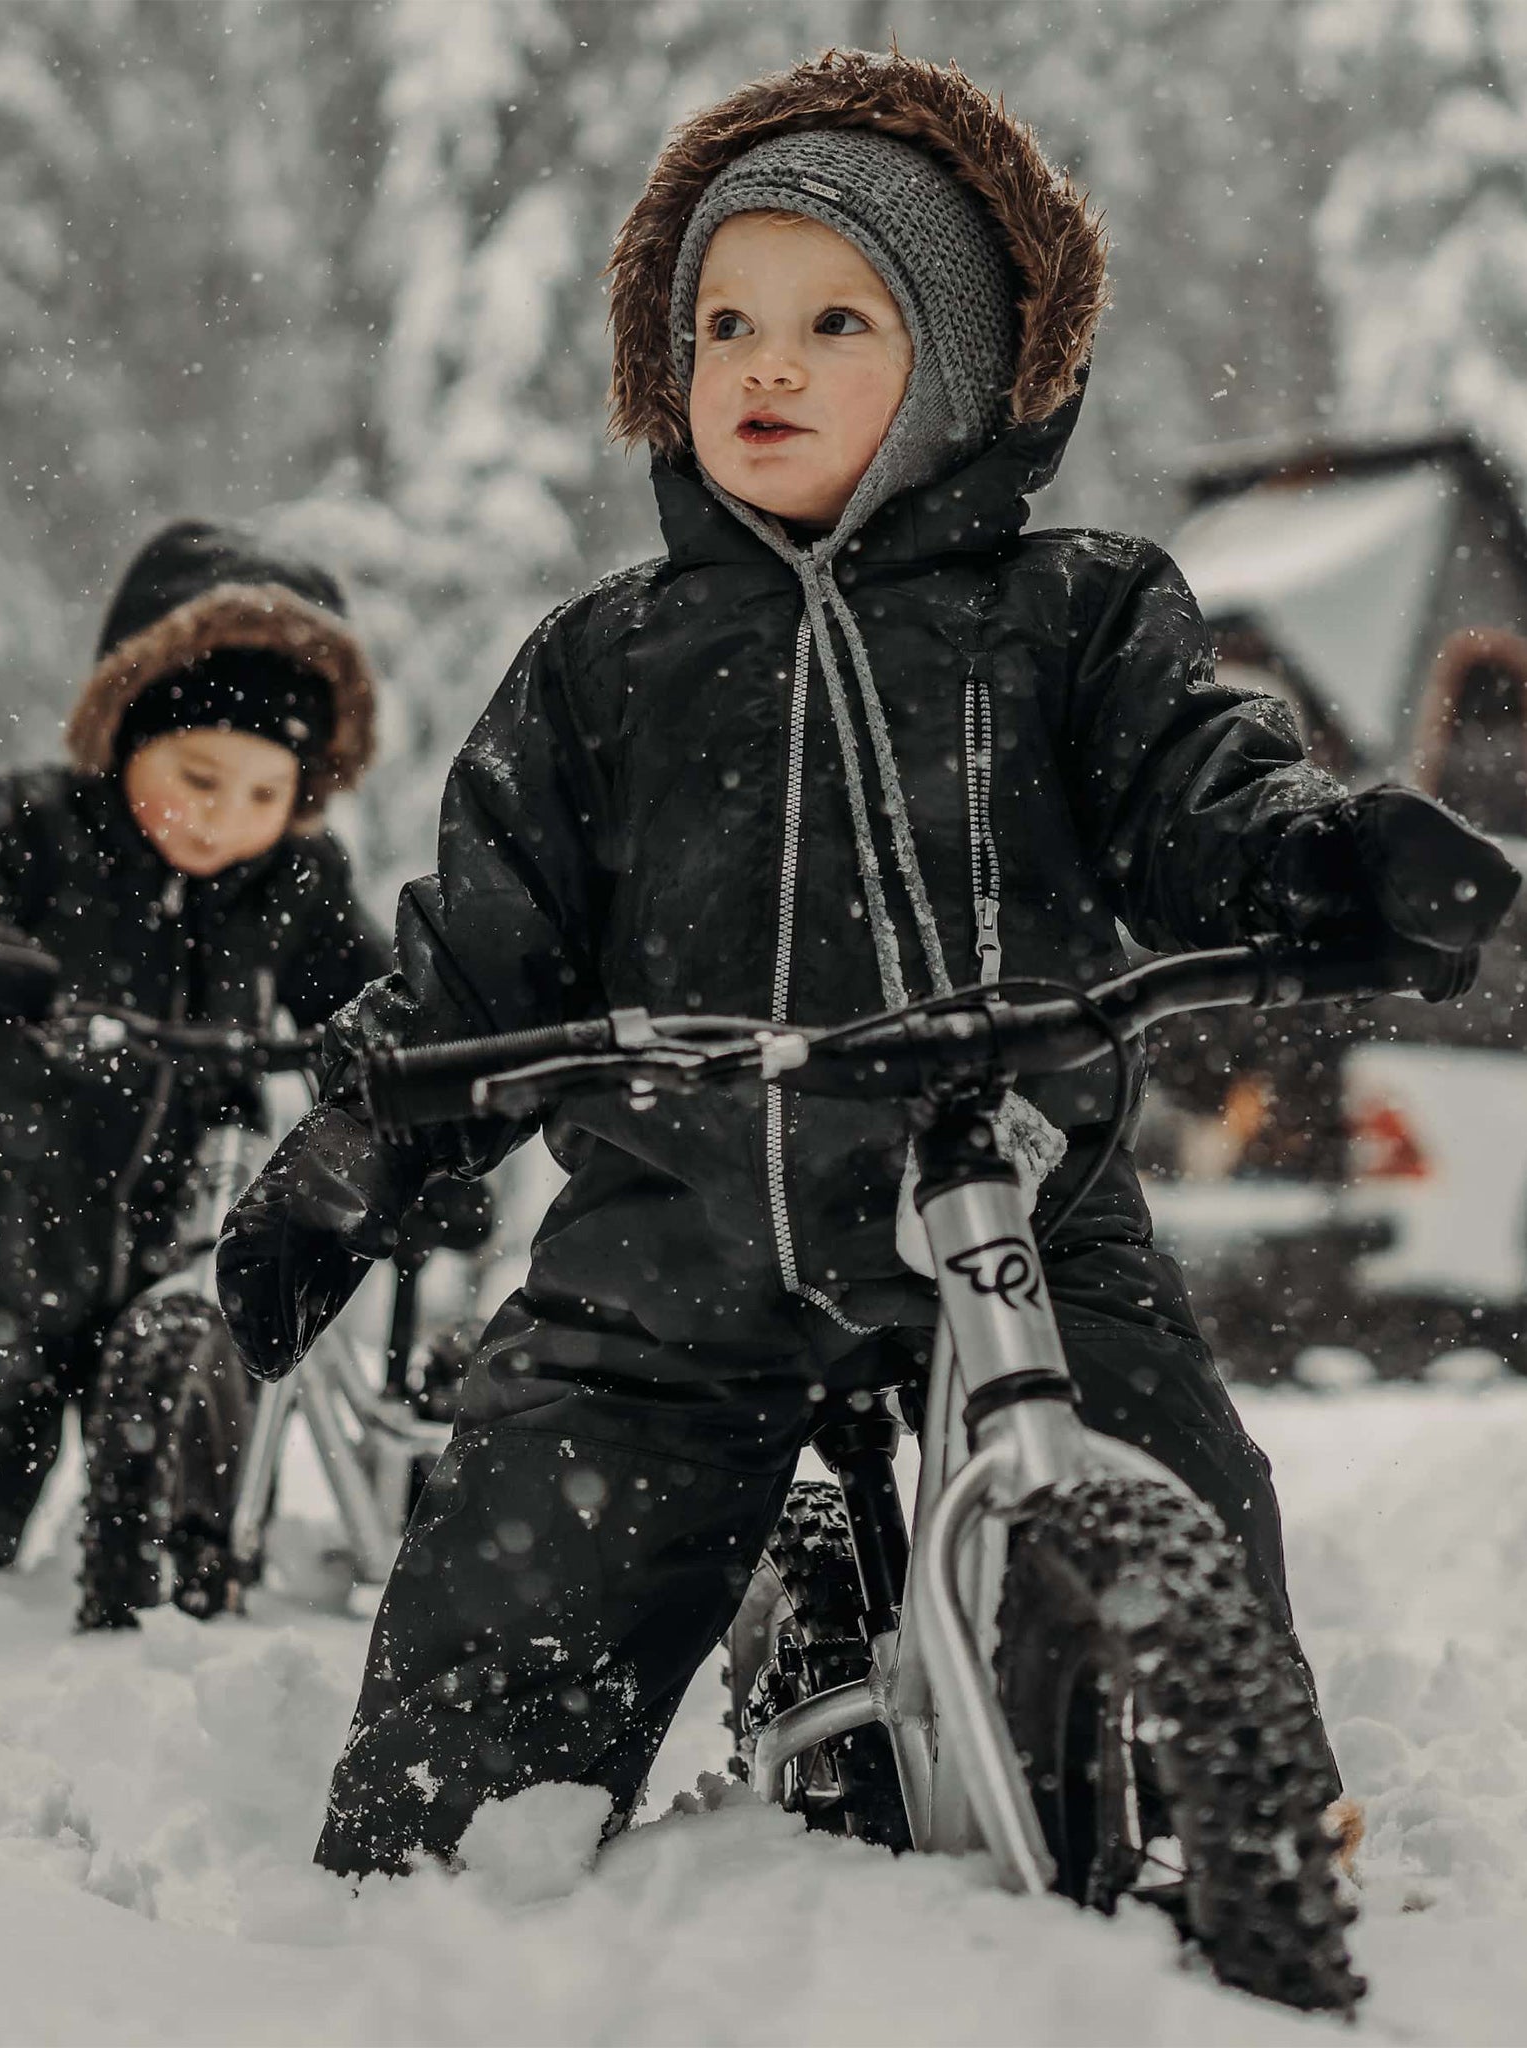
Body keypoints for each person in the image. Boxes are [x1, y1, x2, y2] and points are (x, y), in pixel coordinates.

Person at [217, 50, 1518, 1878]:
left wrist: (1315, 849)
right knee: (474, 1691)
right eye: (724, 321)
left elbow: (1194, 784)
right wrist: (356, 1147)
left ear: (965, 369)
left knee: (1172, 1505)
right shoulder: (605, 665)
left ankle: (1210, 1809)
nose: (763, 362)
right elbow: (481, 966)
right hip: (664, 1244)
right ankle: (484, 1826)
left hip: (1014, 1210)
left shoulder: (1075, 615)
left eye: (836, 319)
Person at [0, 519, 391, 1604]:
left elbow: (376, 996)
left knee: (203, 1402)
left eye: (263, 793)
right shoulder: (40, 823)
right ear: (126, 728)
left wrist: (401, 1077)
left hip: (193, 1205)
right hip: (8, 1196)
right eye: (195, 775)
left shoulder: (296, 878)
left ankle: (183, 1588)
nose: (223, 819)